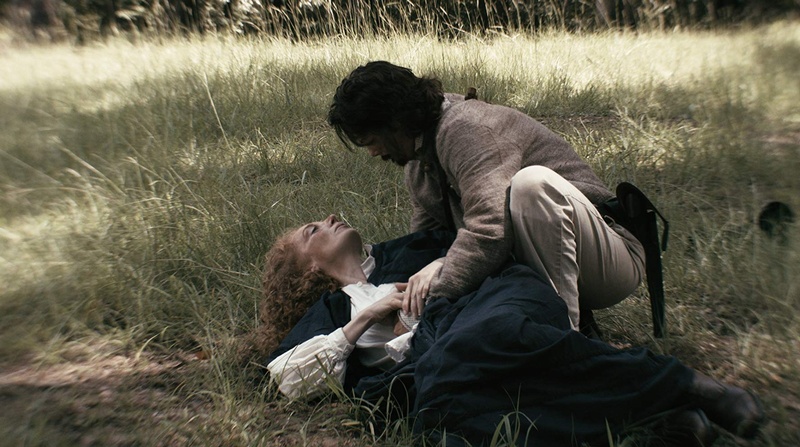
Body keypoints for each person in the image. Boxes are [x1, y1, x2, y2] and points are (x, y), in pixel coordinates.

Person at [256, 214, 765, 447]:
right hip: (441, 365)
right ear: (309, 269)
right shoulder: (330, 313)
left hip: (495, 301)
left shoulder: (405, 250)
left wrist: (439, 266)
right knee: (452, 412)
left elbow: (483, 238)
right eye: (313, 230)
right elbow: (286, 379)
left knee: (475, 351)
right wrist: (368, 317)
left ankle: (685, 384)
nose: (330, 218)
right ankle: (661, 423)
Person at [327, 61, 646, 333]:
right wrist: (401, 300)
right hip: (558, 264)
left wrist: (432, 294)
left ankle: (565, 338)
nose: (373, 152)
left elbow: (490, 230)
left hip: (610, 261)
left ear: (395, 122)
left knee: (530, 187)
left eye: (371, 140)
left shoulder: (467, 129)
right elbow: (427, 243)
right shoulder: (418, 165)